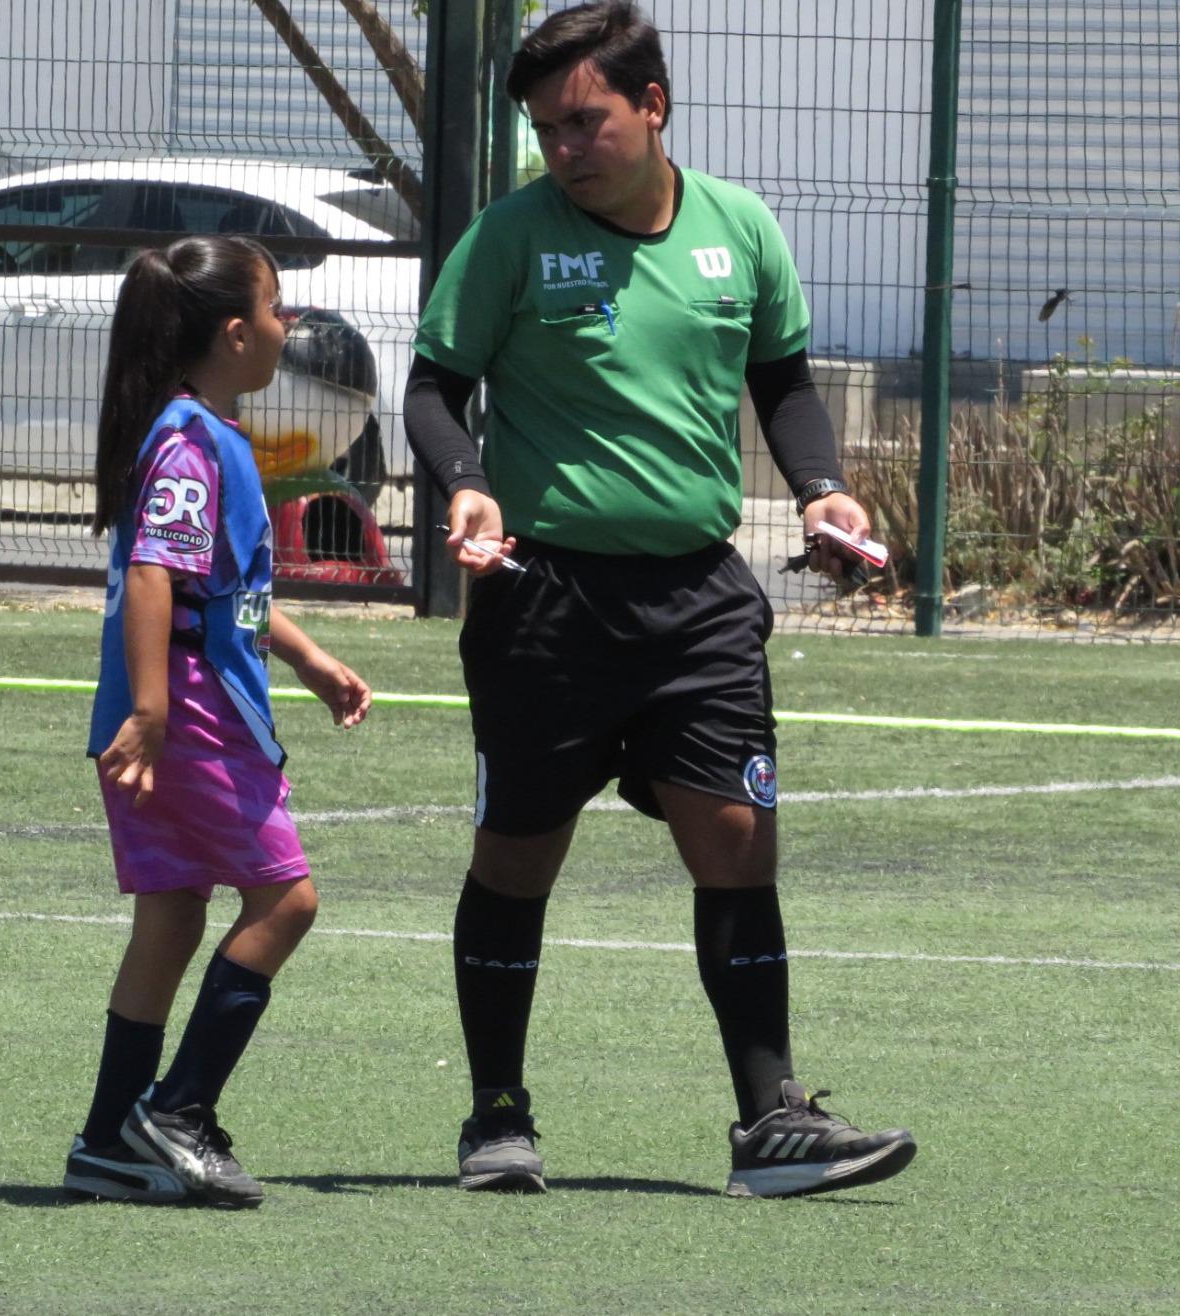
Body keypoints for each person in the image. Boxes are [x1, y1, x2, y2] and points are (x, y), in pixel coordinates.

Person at [404, 0, 916, 1199]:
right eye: (546, 129)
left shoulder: (740, 227)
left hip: (699, 597)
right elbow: (432, 389)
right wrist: (469, 483)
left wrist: (823, 492)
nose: (563, 148)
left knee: (737, 840)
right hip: (544, 598)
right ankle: (496, 1113)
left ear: (652, 105)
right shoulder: (509, 237)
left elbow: (782, 383)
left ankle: (769, 1120)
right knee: (517, 855)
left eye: (583, 121)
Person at [64, 234, 372, 1208]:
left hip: (170, 710)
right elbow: (155, 573)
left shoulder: (197, 432)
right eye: (277, 309)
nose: (288, 325)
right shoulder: (193, 442)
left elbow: (222, 589)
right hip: (190, 717)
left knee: (173, 914)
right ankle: (179, 1110)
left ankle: (108, 1139)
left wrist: (306, 655)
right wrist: (155, 710)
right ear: (237, 333)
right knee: (286, 902)